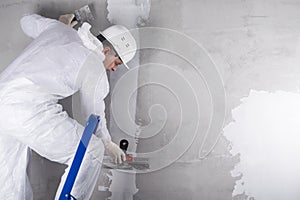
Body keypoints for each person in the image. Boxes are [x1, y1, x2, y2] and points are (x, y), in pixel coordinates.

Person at [0, 13, 137, 200]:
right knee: (91, 150)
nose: (114, 68)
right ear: (105, 51)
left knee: (9, 184)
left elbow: (26, 21)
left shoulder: (59, 30)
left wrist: (58, 25)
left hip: (3, 103)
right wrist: (107, 143)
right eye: (117, 63)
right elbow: (93, 114)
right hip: (28, 109)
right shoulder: (93, 66)